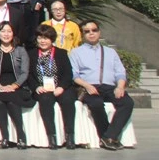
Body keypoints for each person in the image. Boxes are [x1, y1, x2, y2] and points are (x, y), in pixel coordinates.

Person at [69, 19, 135, 150]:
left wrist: (120, 87)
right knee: (96, 104)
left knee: (127, 102)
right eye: (87, 31)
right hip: (89, 87)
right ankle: (108, 137)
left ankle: (108, 136)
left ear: (99, 32)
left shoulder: (110, 52)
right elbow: (74, 75)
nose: (91, 33)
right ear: (82, 34)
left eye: (94, 30)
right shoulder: (76, 52)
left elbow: (120, 72)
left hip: (110, 87)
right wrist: (87, 86)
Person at [28, 24, 77, 149]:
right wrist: (36, 87)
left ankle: (70, 136)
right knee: (45, 100)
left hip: (60, 87)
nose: (42, 41)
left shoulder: (61, 53)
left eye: (46, 38)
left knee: (67, 100)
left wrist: (61, 87)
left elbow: (68, 74)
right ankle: (52, 137)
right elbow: (29, 75)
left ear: (52, 39)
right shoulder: (31, 54)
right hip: (43, 88)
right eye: (40, 38)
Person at [0, 22, 30, 149]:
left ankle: (21, 136)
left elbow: (25, 72)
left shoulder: (21, 51)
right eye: (3, 31)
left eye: (9, 31)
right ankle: (5, 136)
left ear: (13, 34)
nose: (6, 34)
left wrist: (15, 85)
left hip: (17, 86)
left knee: (12, 101)